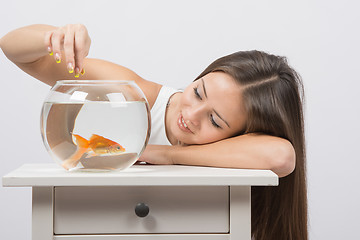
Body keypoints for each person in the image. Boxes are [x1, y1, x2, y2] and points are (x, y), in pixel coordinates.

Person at [0, 24, 307, 240]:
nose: (190, 115)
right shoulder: (139, 96)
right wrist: (53, 37)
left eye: (215, 121)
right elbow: (12, 48)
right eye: (198, 93)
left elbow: (282, 157)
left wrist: (168, 154)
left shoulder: (242, 148)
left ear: (242, 133)